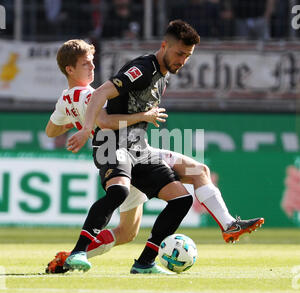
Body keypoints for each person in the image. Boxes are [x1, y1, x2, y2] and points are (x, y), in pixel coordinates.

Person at [62, 20, 264, 274]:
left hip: (138, 148)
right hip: (112, 144)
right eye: (179, 53)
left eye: (187, 56)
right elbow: (101, 93)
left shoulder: (162, 76)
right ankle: (78, 252)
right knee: (119, 195)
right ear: (164, 45)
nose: (182, 60)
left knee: (182, 198)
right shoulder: (143, 69)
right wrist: (84, 128)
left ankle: (146, 261)